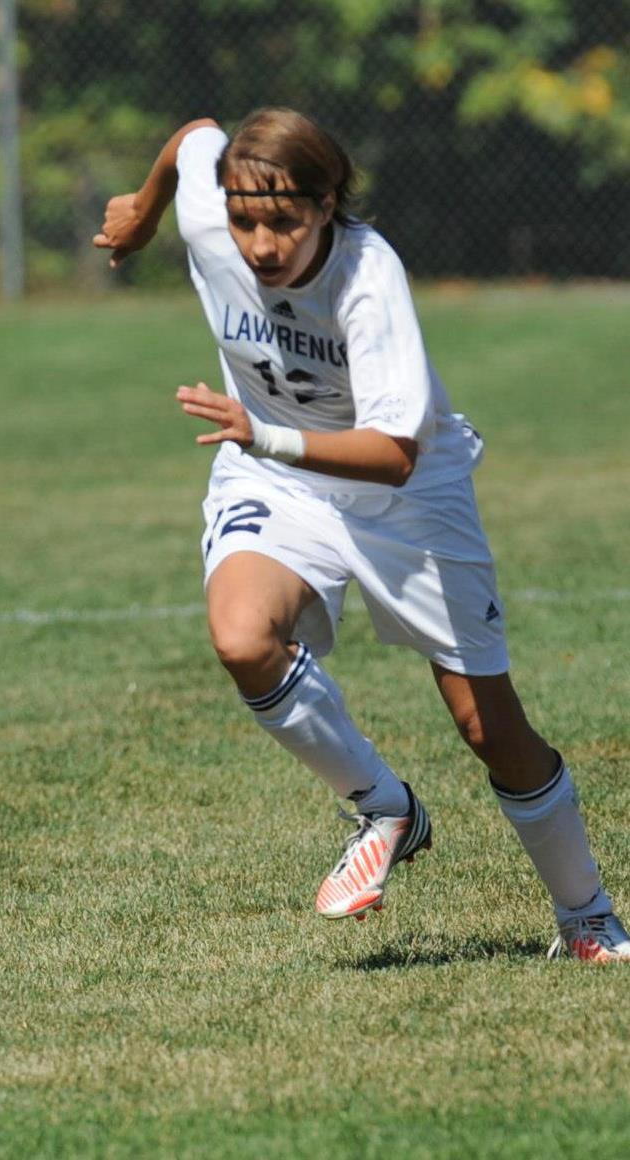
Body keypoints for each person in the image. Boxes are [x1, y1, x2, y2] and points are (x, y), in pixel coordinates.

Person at [93, 107, 627, 962]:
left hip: (406, 495)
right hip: (274, 473)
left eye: (285, 223)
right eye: (243, 220)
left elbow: (394, 454)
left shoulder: (368, 277)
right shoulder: (213, 205)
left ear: (329, 203)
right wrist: (148, 210)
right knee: (242, 638)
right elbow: (195, 136)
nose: (260, 246)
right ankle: (386, 805)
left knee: (489, 726)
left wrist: (260, 431)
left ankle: (588, 916)